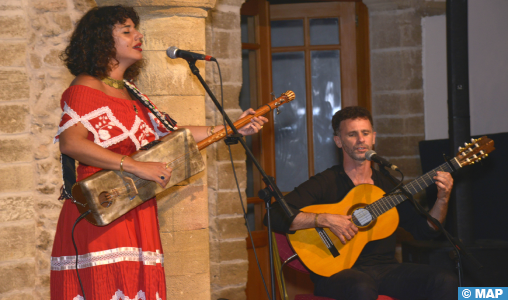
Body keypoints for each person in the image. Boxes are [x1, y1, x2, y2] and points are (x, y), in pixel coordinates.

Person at [50, 5, 268, 300]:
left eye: (135, 29)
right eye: (127, 31)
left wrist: (231, 128)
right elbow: (72, 144)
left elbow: (172, 133)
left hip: (135, 205)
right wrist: (136, 167)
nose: (138, 35)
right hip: (102, 205)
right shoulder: (85, 87)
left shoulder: (132, 92)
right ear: (101, 40)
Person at [266, 106, 458, 300]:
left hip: (385, 269)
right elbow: (273, 214)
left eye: (365, 133)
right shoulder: (325, 182)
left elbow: (426, 230)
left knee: (445, 280)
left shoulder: (388, 185)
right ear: (339, 141)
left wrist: (442, 198)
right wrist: (324, 219)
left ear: (373, 137)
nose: (360, 140)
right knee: (362, 287)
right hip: (337, 273)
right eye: (352, 134)